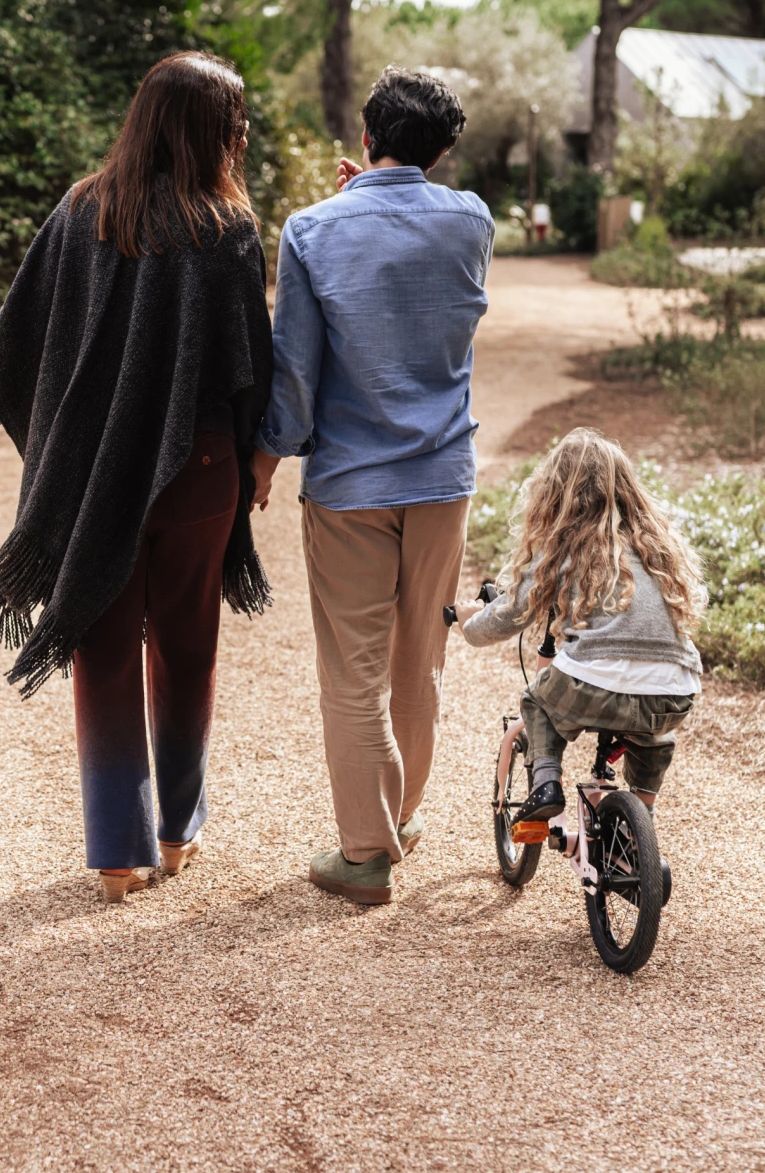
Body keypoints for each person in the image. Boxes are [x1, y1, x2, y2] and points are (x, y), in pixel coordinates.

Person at [0, 51, 274, 903]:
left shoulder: (79, 210)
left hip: (95, 472)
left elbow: (14, 335)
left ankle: (120, 854)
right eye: (234, 122)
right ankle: (175, 833)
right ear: (205, 130)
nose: (242, 135)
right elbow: (250, 369)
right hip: (198, 474)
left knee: (100, 643)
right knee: (187, 646)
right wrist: (256, 464)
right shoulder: (228, 228)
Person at [251, 68, 493, 906]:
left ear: (364, 138)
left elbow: (295, 368)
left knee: (351, 674)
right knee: (417, 663)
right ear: (445, 149)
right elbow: (412, 241)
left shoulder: (311, 231)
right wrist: (380, 195)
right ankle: (403, 816)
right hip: (442, 481)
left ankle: (365, 853)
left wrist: (269, 456)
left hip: (352, 484)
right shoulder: (474, 221)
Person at [456, 428, 706, 816]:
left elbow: (509, 614)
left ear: (554, 495)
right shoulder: (658, 550)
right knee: (654, 734)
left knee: (537, 703)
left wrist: (468, 623)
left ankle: (546, 785)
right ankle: (642, 813)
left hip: (594, 684)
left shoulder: (563, 550)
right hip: (675, 689)